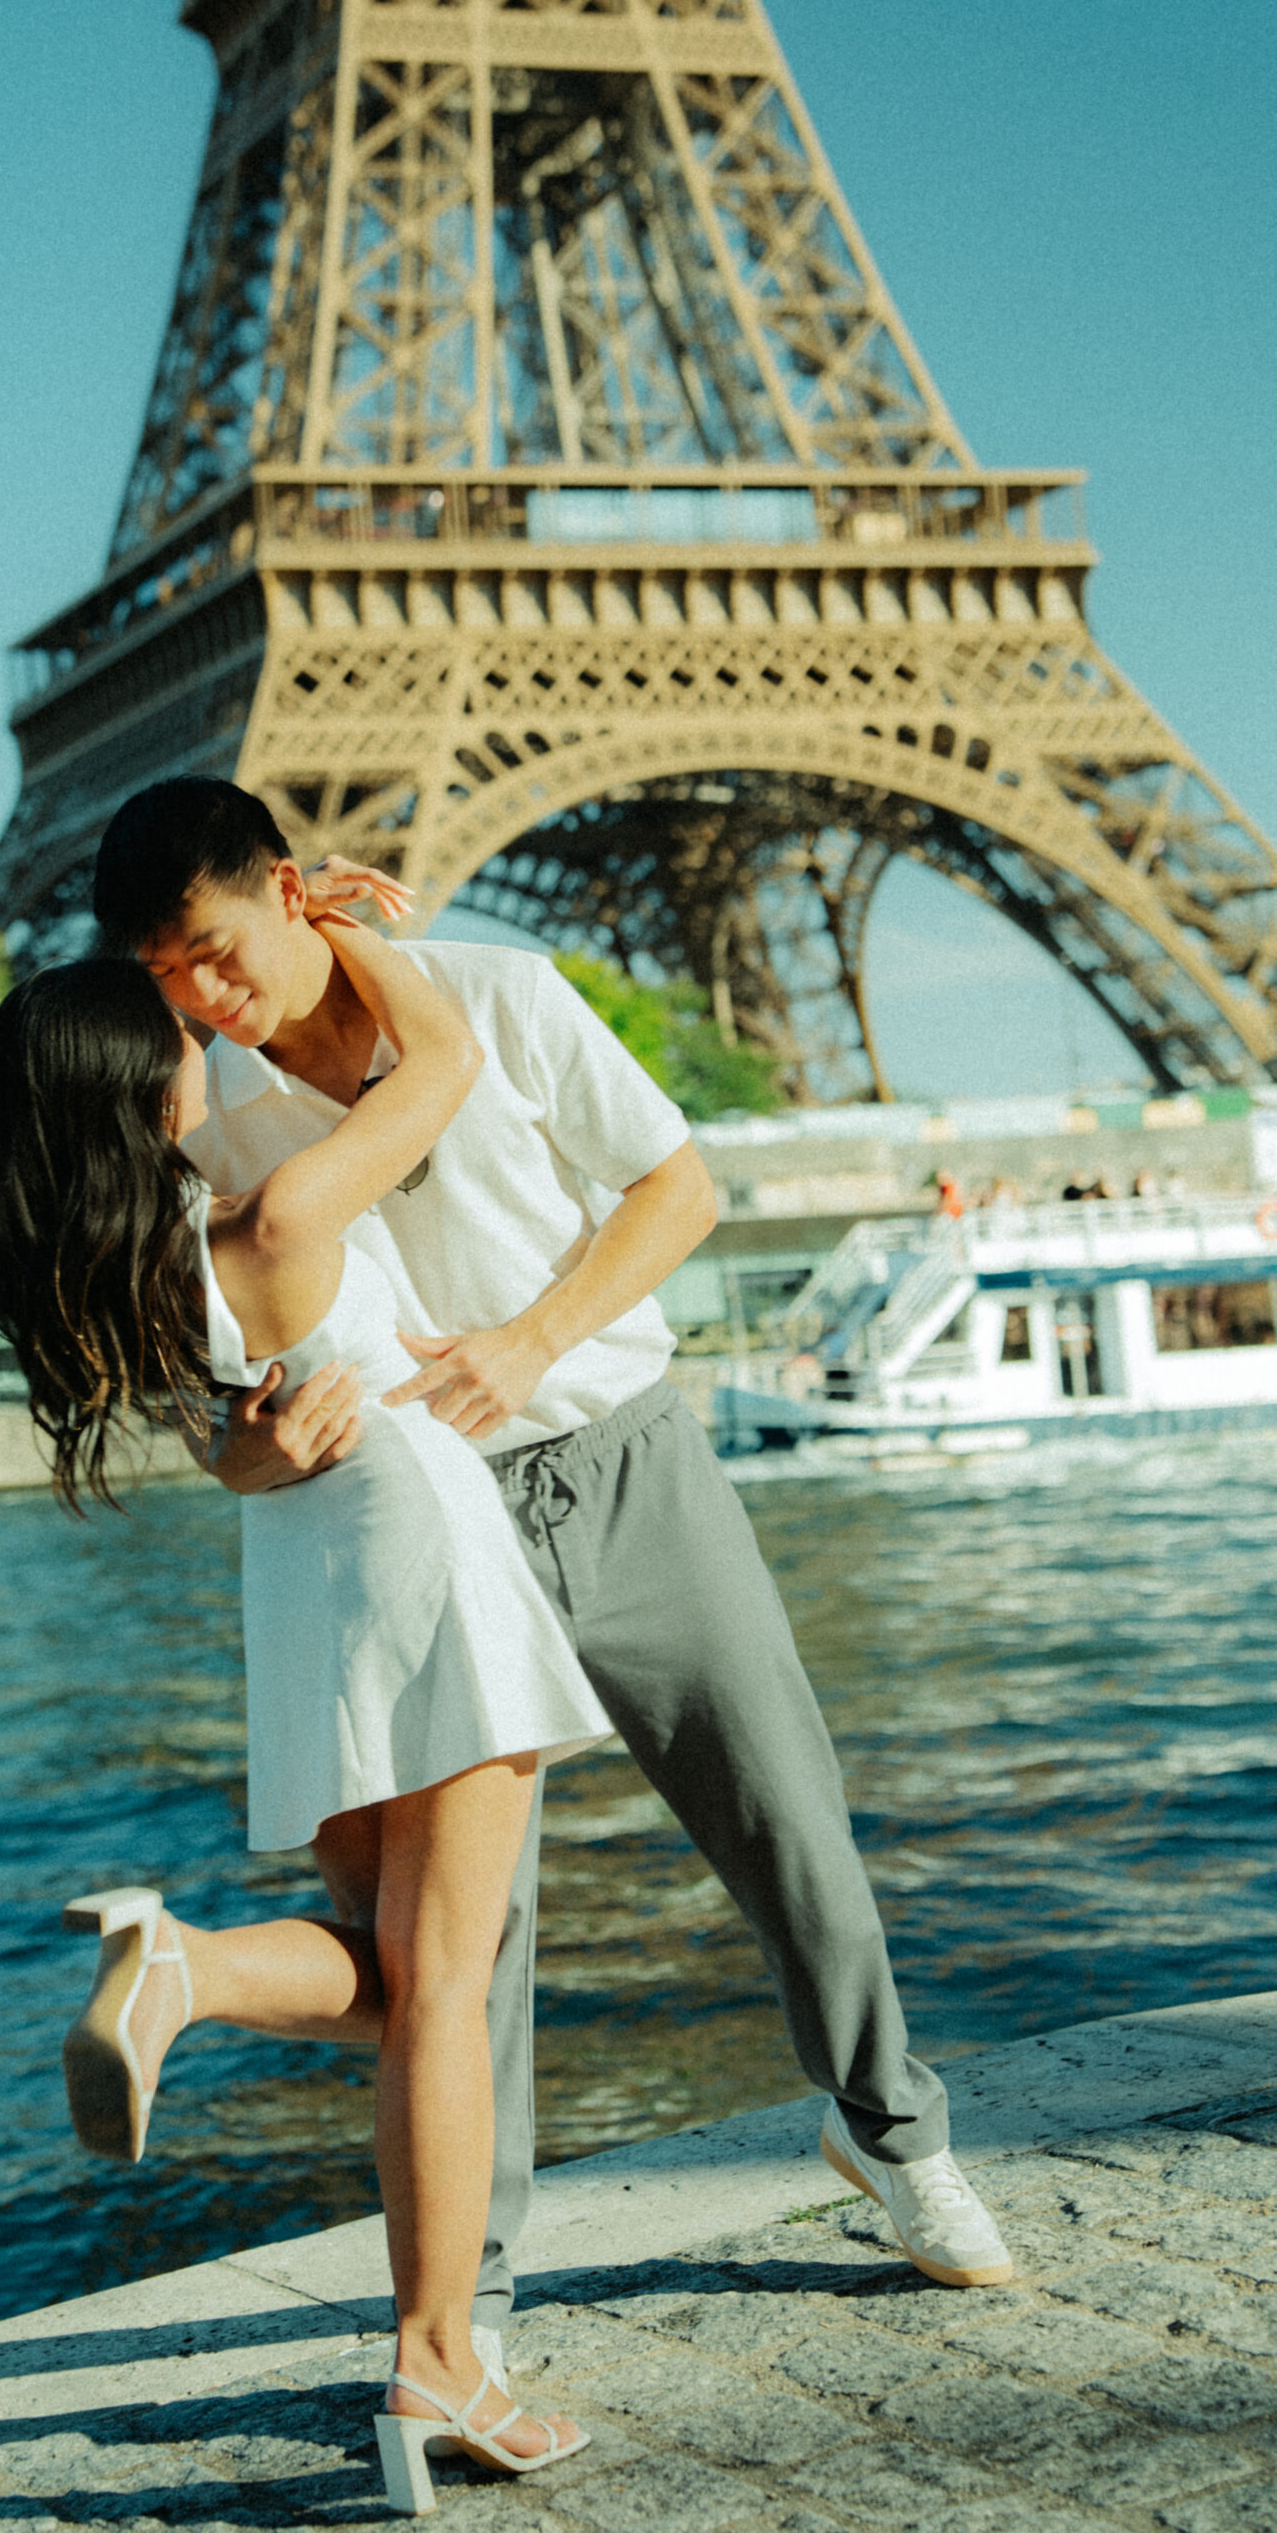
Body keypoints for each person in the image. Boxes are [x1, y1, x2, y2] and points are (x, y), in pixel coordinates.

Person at [94, 776, 1016, 2362]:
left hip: (620, 1461)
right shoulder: (208, 1119)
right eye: (165, 977)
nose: (201, 997)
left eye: (214, 951)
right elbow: (215, 1437)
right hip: (419, 1526)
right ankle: (479, 2295)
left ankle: (889, 2128)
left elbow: (682, 1189)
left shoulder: (498, 995)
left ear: (291, 888)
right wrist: (267, 1452)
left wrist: (530, 1341)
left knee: (785, 1817)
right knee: (455, 1950)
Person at [0, 921, 609, 2506]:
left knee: (404, 1994)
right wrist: (336, 934)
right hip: (422, 1540)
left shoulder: (132, 1261)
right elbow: (450, 1061)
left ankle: (187, 1978)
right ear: (146, 1078)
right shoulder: (275, 1211)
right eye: (174, 1023)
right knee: (454, 1983)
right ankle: (437, 2357)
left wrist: (262, 1446)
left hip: (301, 1588)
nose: (203, 1026)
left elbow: (230, 1454)